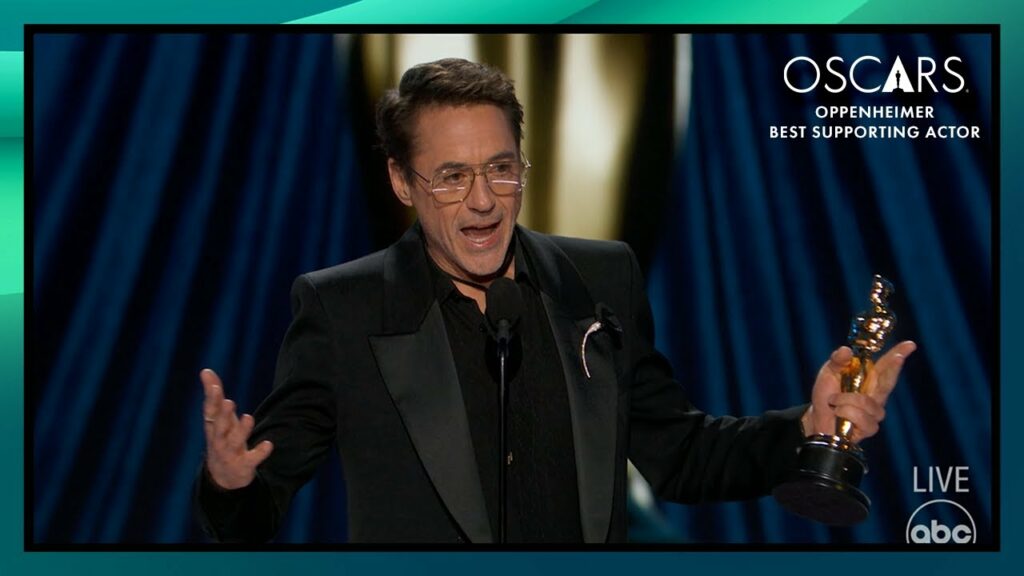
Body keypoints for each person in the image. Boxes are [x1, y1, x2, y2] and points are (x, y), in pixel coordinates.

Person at [195, 58, 916, 543]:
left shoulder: (599, 280)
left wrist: (809, 428)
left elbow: (682, 456)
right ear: (401, 181)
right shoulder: (344, 307)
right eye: (451, 176)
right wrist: (231, 483)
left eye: (500, 169)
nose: (483, 201)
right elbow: (257, 503)